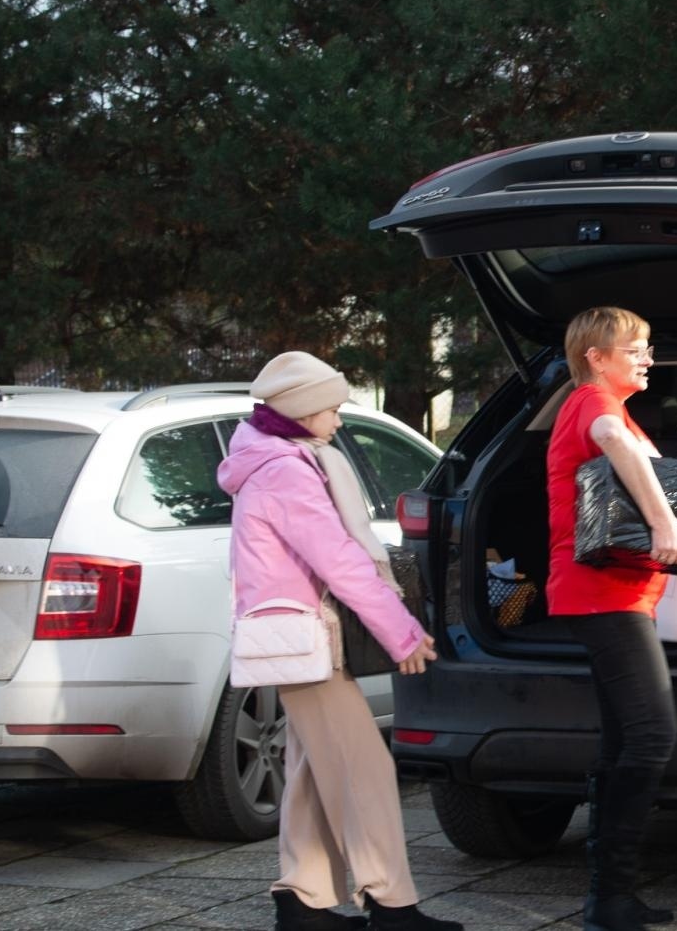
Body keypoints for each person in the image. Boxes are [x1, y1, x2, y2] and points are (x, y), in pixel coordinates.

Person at [217, 352, 462, 931]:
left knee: (313, 767)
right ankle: (392, 905)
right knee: (363, 768)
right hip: (307, 639)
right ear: (301, 412)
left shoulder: (274, 459)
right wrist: (401, 631)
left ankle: (302, 901)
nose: (340, 419)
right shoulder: (286, 471)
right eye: (332, 407)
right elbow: (343, 562)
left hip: (302, 636)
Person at [545, 307, 677, 931]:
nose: (648, 357)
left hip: (618, 594)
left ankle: (611, 897)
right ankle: (610, 895)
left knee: (621, 741)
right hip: (600, 595)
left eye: (649, 347)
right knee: (652, 736)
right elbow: (611, 441)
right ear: (596, 356)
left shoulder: (611, 404)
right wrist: (664, 522)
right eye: (634, 347)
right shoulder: (590, 401)